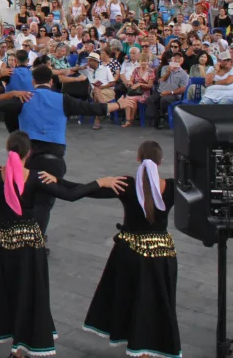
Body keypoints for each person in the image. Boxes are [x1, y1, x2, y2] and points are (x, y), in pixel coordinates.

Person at [0, 130, 125, 356]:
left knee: (5, 291)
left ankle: (13, 339)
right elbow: (71, 194)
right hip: (29, 246)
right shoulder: (36, 177)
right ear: (29, 153)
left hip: (2, 244)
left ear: (8, 149)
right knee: (29, 292)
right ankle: (22, 346)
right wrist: (100, 182)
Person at [0, 66, 127, 236]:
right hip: (53, 161)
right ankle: (37, 238)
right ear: (51, 82)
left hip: (28, 160)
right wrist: (118, 104)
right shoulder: (62, 99)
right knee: (43, 204)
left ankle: (14, 230)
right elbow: (92, 108)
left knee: (23, 196)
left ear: (33, 81)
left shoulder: (25, 98)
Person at [78, 140, 181, 358]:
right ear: (160, 161)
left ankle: (136, 344)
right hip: (161, 254)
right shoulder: (172, 186)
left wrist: (100, 182)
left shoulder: (126, 184)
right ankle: (150, 346)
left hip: (130, 253)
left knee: (130, 297)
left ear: (137, 158)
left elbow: (86, 192)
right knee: (157, 300)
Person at [145, 53, 190, 128]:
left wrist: (170, 92)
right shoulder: (165, 68)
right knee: (150, 99)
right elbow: (162, 79)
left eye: (178, 59)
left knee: (164, 100)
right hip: (160, 91)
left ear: (181, 61)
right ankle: (155, 118)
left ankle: (163, 117)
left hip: (173, 94)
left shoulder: (183, 74)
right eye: (174, 58)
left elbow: (182, 89)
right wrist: (169, 72)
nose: (176, 60)